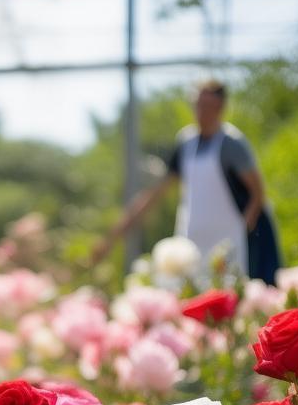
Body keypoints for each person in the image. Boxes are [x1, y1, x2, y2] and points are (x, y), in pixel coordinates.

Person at [92, 80, 281, 284]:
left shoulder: (232, 144)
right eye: (198, 105)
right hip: (191, 245)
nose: (202, 112)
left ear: (221, 107)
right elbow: (155, 193)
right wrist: (113, 236)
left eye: (208, 106)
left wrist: (242, 230)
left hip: (229, 246)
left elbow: (257, 192)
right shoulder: (186, 143)